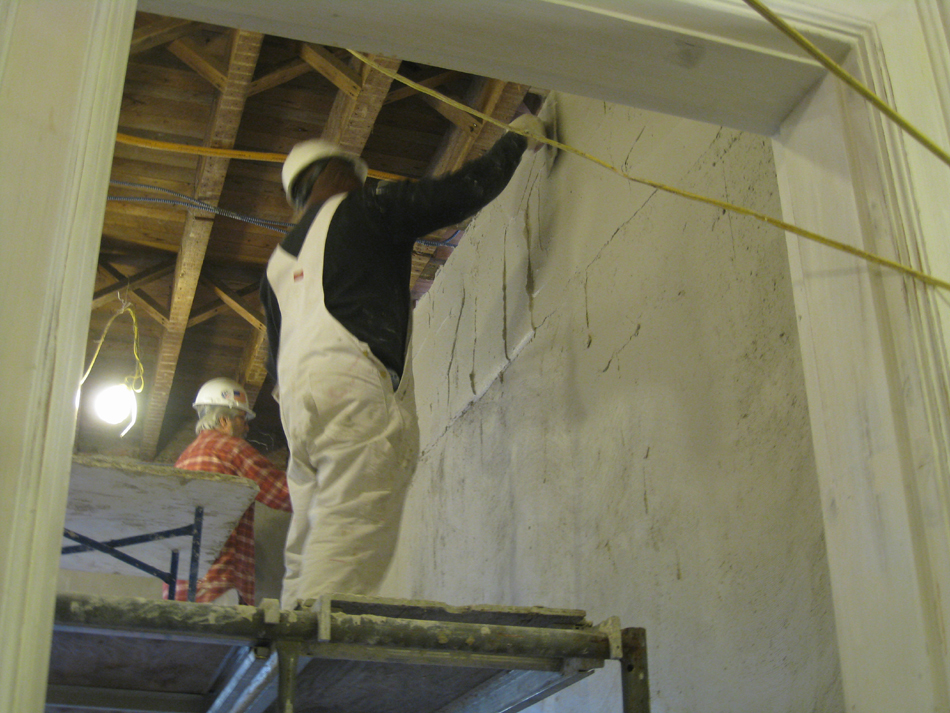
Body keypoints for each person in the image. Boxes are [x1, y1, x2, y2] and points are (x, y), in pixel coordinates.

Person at [260, 114, 547, 608]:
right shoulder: (362, 208)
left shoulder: (276, 266)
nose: (362, 182)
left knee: (307, 534)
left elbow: (275, 362)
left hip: (296, 413)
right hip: (347, 382)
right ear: (331, 175)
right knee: (352, 517)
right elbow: (461, 192)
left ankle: (290, 623)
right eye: (355, 175)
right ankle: (317, 638)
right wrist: (518, 138)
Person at [169, 377, 292, 605]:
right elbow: (284, 494)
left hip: (180, 592)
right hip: (218, 589)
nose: (246, 427)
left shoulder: (184, 458)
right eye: (242, 418)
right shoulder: (228, 448)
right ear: (224, 420)